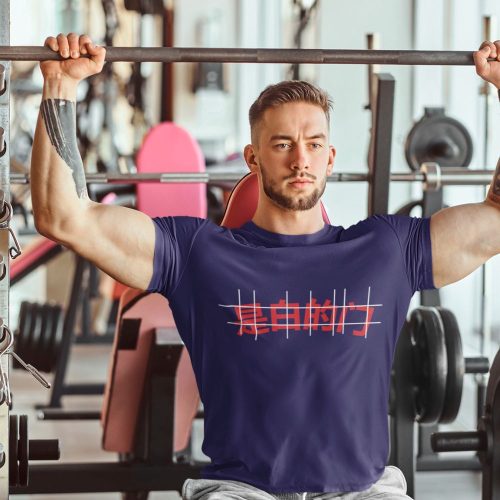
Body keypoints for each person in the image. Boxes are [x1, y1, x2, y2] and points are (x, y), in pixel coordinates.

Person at [31, 33, 500, 500]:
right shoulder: (198, 254)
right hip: (242, 491)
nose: (301, 160)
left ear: (331, 158)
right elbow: (66, 217)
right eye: (282, 144)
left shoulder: (387, 249)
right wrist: (60, 85)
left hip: (365, 491)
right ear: (252, 157)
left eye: (315, 145)